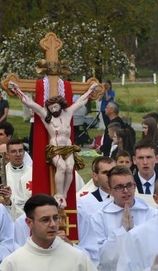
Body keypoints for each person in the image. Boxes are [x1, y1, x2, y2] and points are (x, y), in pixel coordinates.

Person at [9, 80, 98, 208]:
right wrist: (17, 89)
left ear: (60, 105)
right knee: (61, 167)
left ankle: (64, 195)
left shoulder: (68, 113)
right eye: (51, 108)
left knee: (69, 168)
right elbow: (29, 103)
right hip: (55, 148)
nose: (53, 109)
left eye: (55, 107)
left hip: (68, 147)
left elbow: (81, 101)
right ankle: (59, 194)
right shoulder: (46, 116)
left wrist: (90, 90)